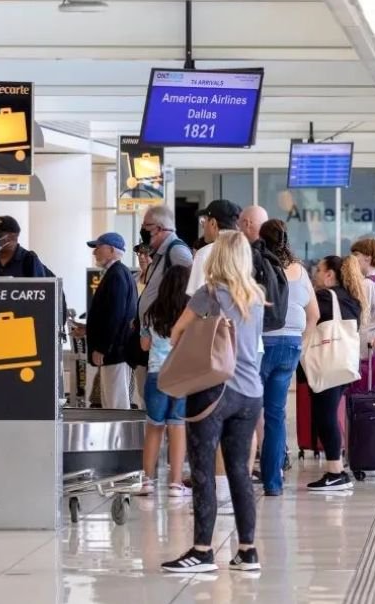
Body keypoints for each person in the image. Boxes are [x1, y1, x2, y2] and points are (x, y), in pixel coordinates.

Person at [160, 231, 264, 574]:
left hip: (214, 391)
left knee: (203, 470)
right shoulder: (256, 295)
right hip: (250, 392)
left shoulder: (209, 294)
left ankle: (202, 551)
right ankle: (247, 551)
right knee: (239, 473)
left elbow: (176, 333)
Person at [259, 219, 317, 496]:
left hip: (263, 343)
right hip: (292, 345)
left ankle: (241, 473)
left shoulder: (259, 267)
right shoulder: (300, 271)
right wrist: (302, 345)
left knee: (247, 411)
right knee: (275, 414)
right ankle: (273, 482)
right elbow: (314, 313)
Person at [304, 254, 369, 491]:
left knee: (326, 416)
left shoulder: (324, 297)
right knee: (329, 414)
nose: (316, 274)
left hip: (327, 363)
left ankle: (336, 472)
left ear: (330, 274)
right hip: (343, 363)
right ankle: (336, 470)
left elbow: (307, 320)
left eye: (319, 270)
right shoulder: (351, 298)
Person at [138, 265, 190, 497]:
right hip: (182, 375)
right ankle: (176, 484)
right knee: (177, 427)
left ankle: (147, 480)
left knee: (154, 428)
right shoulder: (191, 312)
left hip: (156, 374)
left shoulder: (151, 311)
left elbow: (144, 345)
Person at [137, 205, 193, 408]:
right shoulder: (161, 253)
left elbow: (189, 283)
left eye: (146, 227)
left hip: (164, 337)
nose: (143, 231)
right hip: (155, 334)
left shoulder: (176, 250)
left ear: (160, 228)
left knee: (159, 419)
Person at [85, 232, 139, 410]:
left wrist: (102, 347)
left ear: (111, 250)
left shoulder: (116, 275)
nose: (94, 253)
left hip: (115, 351)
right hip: (116, 350)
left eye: (98, 248)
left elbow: (115, 315)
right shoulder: (118, 274)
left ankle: (120, 439)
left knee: (115, 403)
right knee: (112, 401)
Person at [188, 200, 239, 295]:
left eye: (204, 221)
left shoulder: (205, 254)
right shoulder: (245, 251)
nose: (203, 226)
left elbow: (196, 298)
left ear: (213, 223)